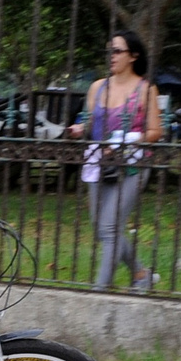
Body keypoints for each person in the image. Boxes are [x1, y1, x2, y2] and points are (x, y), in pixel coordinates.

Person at [67, 31, 163, 292]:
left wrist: (127, 138)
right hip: (98, 163)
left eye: (117, 51)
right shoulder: (98, 87)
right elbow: (89, 122)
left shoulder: (146, 89)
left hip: (132, 164)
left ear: (133, 56)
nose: (111, 56)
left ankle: (100, 289)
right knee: (101, 229)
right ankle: (141, 274)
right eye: (109, 51)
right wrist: (79, 128)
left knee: (110, 226)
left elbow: (155, 131)